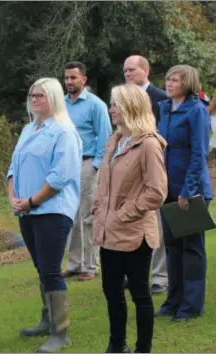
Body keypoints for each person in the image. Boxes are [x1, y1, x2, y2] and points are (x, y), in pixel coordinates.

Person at [7, 77, 82, 353]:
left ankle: (61, 333)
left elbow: (60, 176)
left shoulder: (64, 131)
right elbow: (12, 168)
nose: (35, 99)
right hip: (27, 211)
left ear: (54, 99)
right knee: (41, 268)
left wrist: (31, 201)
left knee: (51, 270)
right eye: (32, 95)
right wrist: (14, 199)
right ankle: (47, 318)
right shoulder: (28, 129)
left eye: (41, 95)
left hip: (52, 210)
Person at [92, 83, 167, 353]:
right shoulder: (114, 140)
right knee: (111, 292)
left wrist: (123, 213)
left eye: (115, 105)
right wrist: (99, 209)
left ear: (131, 108)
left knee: (140, 294)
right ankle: (116, 345)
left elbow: (157, 192)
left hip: (135, 234)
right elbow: (104, 182)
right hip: (108, 232)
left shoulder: (148, 143)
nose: (111, 109)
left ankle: (143, 349)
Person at [156, 65, 213, 322]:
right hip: (166, 188)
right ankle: (173, 300)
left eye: (175, 80)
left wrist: (188, 192)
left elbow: (199, 154)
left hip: (190, 190)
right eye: (168, 79)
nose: (169, 83)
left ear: (187, 83)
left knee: (191, 249)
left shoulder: (197, 111)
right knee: (172, 248)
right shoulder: (165, 109)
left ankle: (191, 306)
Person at [61, 61, 112, 281]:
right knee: (69, 216)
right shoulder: (60, 104)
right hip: (65, 166)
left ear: (84, 79)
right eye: (66, 78)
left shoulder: (96, 105)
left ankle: (91, 265)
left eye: (73, 77)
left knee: (88, 215)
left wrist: (96, 166)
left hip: (87, 163)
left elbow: (106, 136)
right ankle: (74, 263)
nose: (69, 82)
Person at [123, 55, 169, 294]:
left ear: (145, 71)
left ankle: (160, 277)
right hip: (130, 170)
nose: (127, 74)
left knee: (156, 223)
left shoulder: (161, 99)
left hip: (153, 166)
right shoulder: (124, 100)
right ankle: (137, 273)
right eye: (125, 71)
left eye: (131, 70)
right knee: (136, 221)